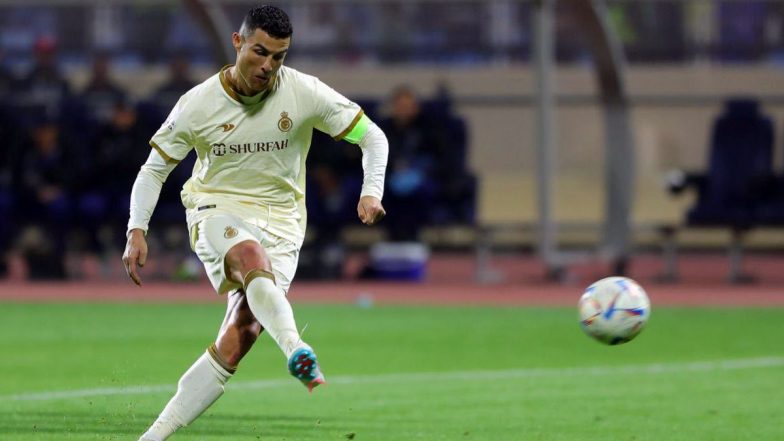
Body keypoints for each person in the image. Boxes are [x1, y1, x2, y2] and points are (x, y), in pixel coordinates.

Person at [122, 5, 388, 441]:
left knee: (240, 333)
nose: (268, 66)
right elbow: (154, 170)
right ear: (238, 42)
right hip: (215, 209)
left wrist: (371, 190)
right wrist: (137, 229)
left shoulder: (303, 91)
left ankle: (151, 437)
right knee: (249, 257)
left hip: (284, 223)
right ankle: (297, 349)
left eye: (279, 57)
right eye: (260, 52)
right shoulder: (197, 104)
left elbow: (371, 136)